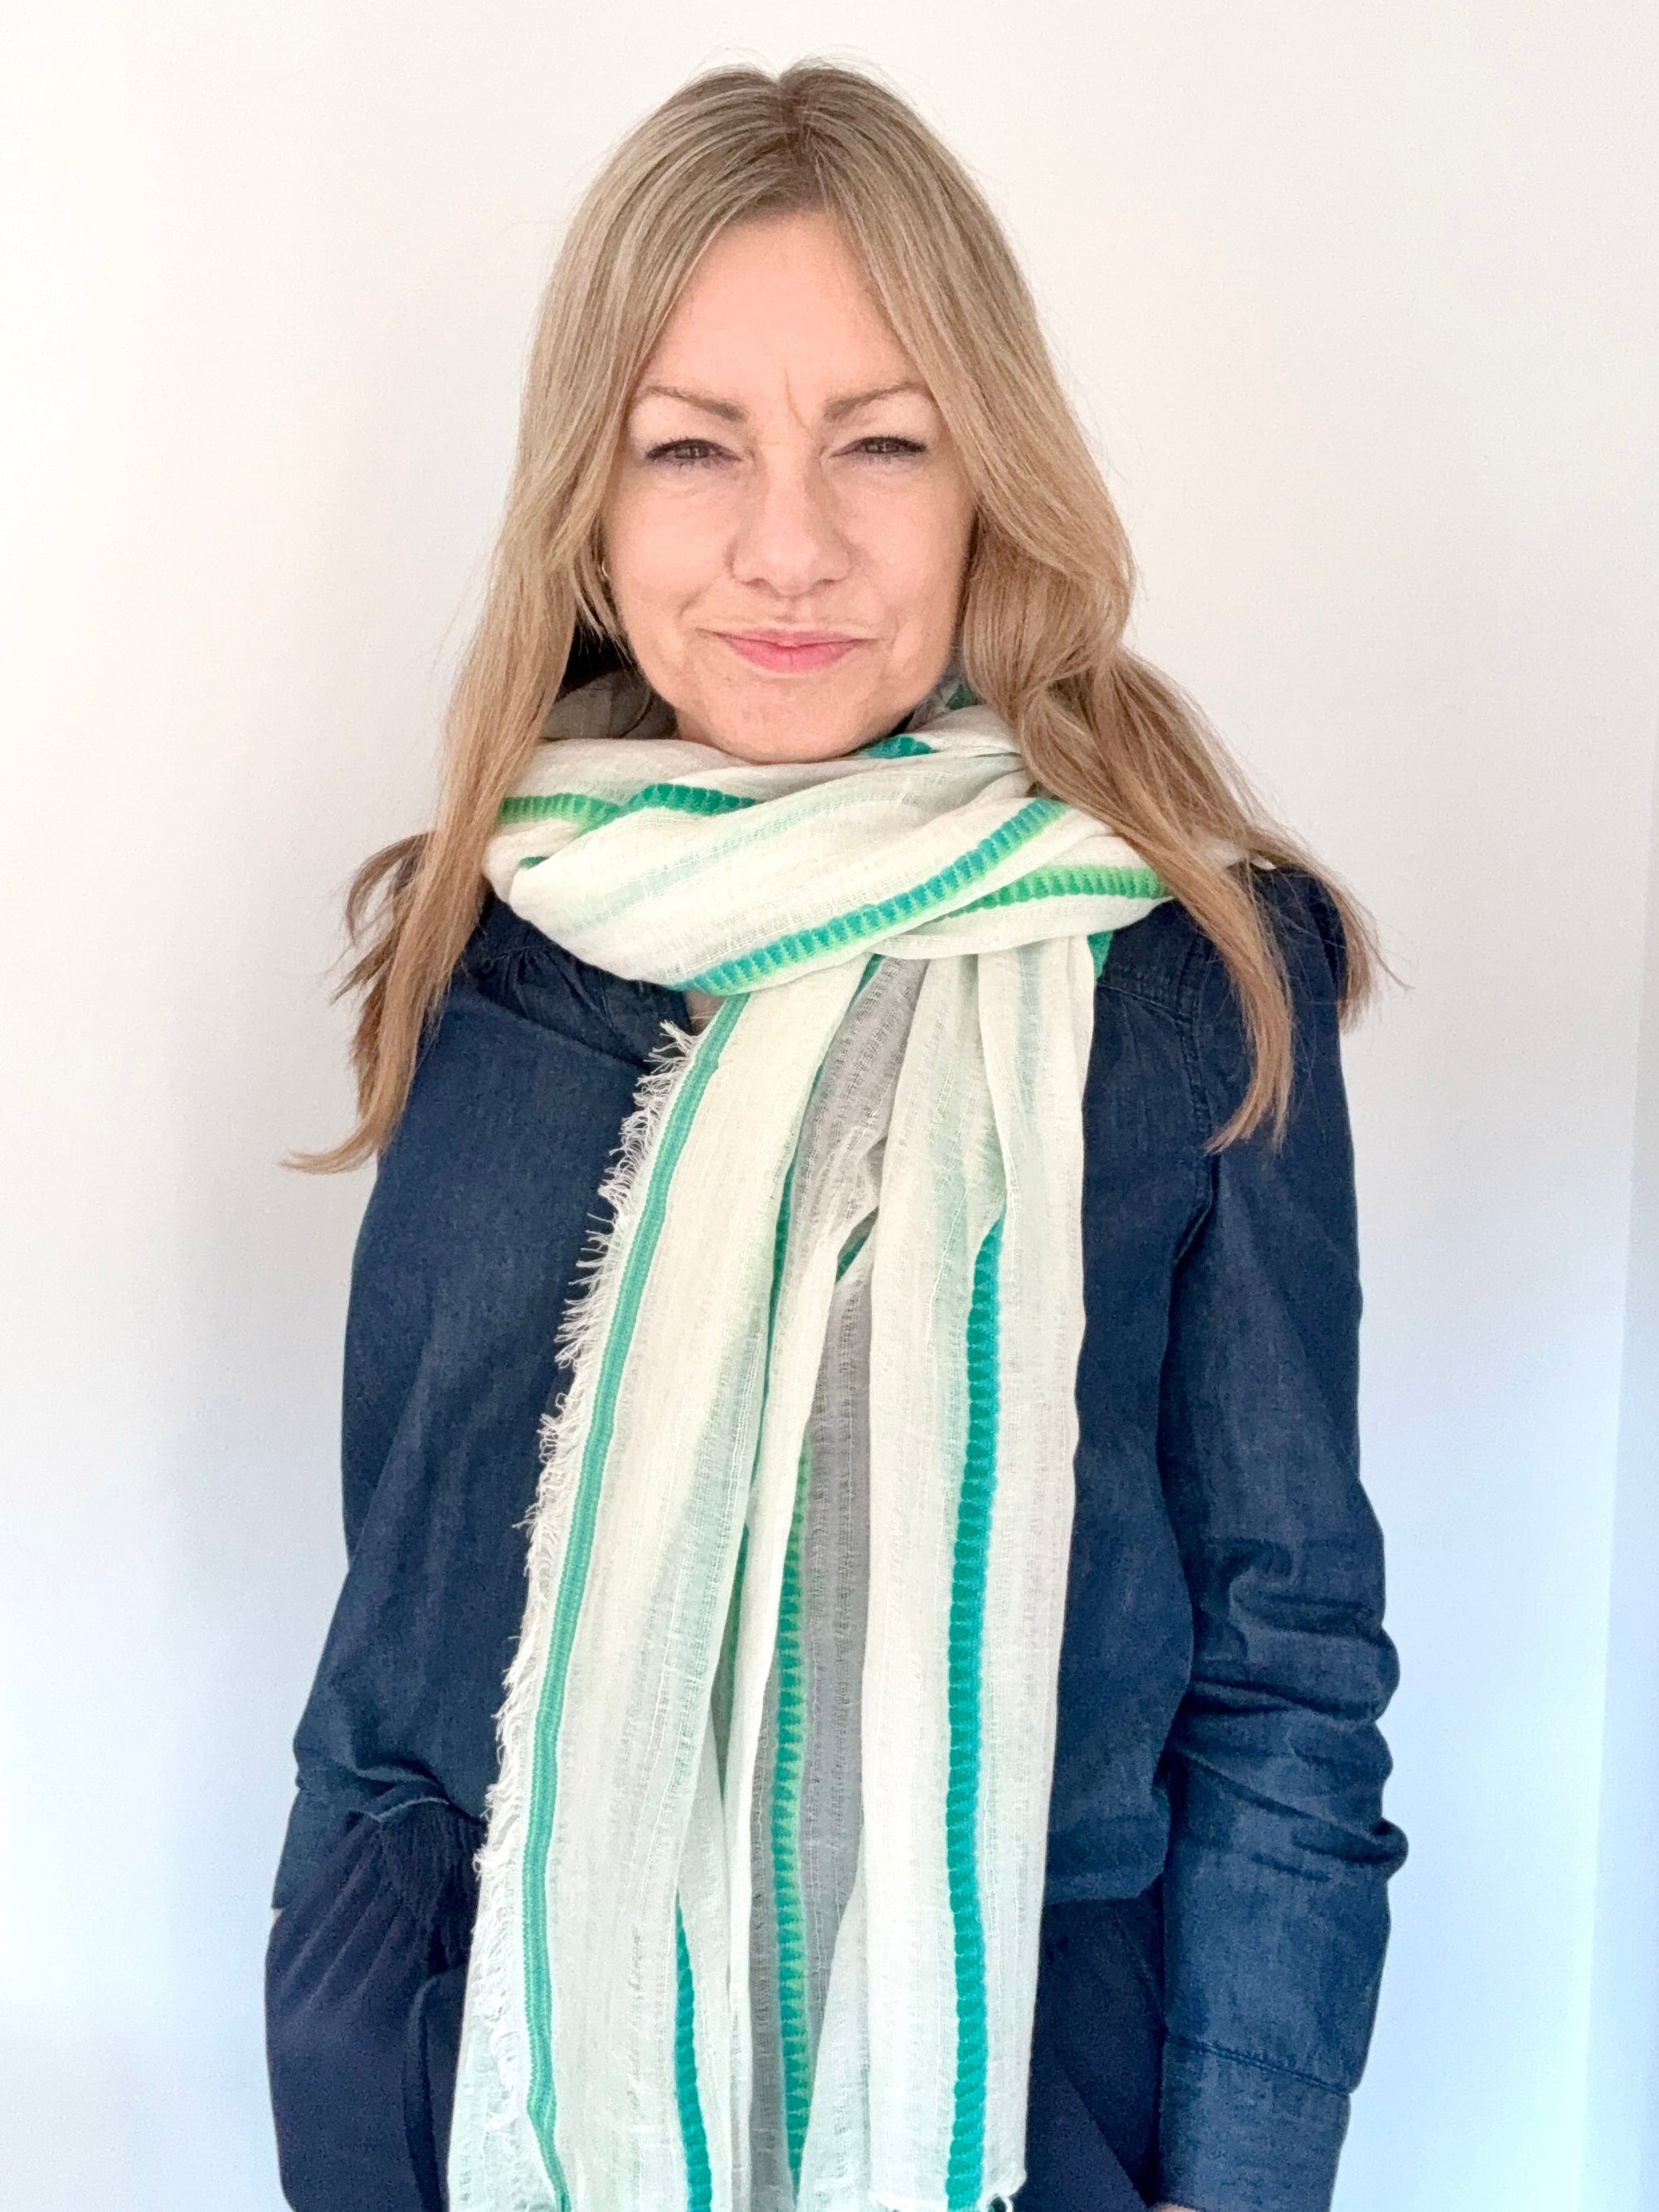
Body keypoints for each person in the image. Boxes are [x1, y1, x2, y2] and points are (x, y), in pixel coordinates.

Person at [265, 58, 1406, 2212]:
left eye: (883, 440)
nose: (788, 542)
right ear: (587, 506)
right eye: (692, 446)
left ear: (991, 477)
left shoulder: (1185, 968)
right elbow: (398, 1676)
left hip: (1026, 2109)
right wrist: (341, 2079)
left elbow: (1286, 1683)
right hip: (503, 2096)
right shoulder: (488, 938)